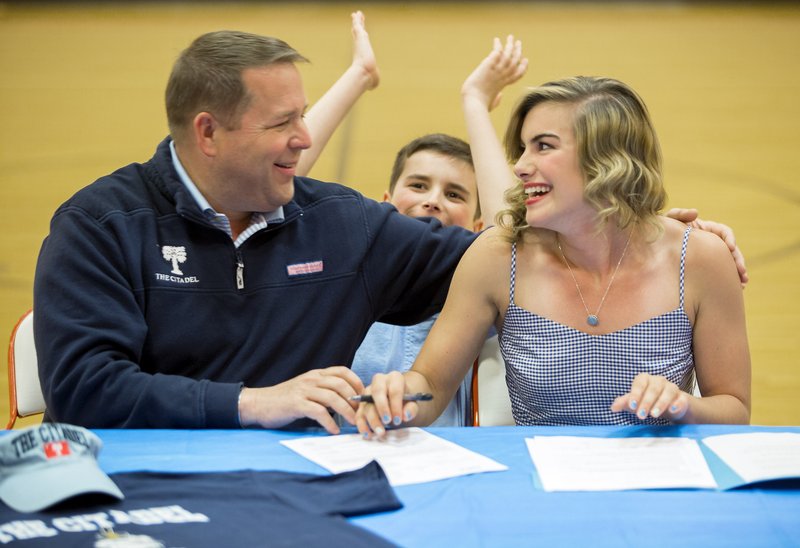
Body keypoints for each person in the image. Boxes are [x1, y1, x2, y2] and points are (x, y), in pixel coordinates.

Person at [32, 26, 480, 434]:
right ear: (208, 133)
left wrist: (541, 183)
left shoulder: (344, 224)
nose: (305, 139)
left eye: (302, 116)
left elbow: (496, 259)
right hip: (143, 493)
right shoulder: (101, 226)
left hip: (293, 495)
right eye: (282, 122)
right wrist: (251, 403)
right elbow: (85, 390)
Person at [355, 76, 751, 437]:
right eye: (523, 148)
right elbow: (430, 385)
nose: (522, 166)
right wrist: (399, 393)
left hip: (663, 484)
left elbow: (734, 408)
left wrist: (686, 407)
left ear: (607, 159)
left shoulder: (700, 259)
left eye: (543, 146)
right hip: (541, 490)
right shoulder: (496, 258)